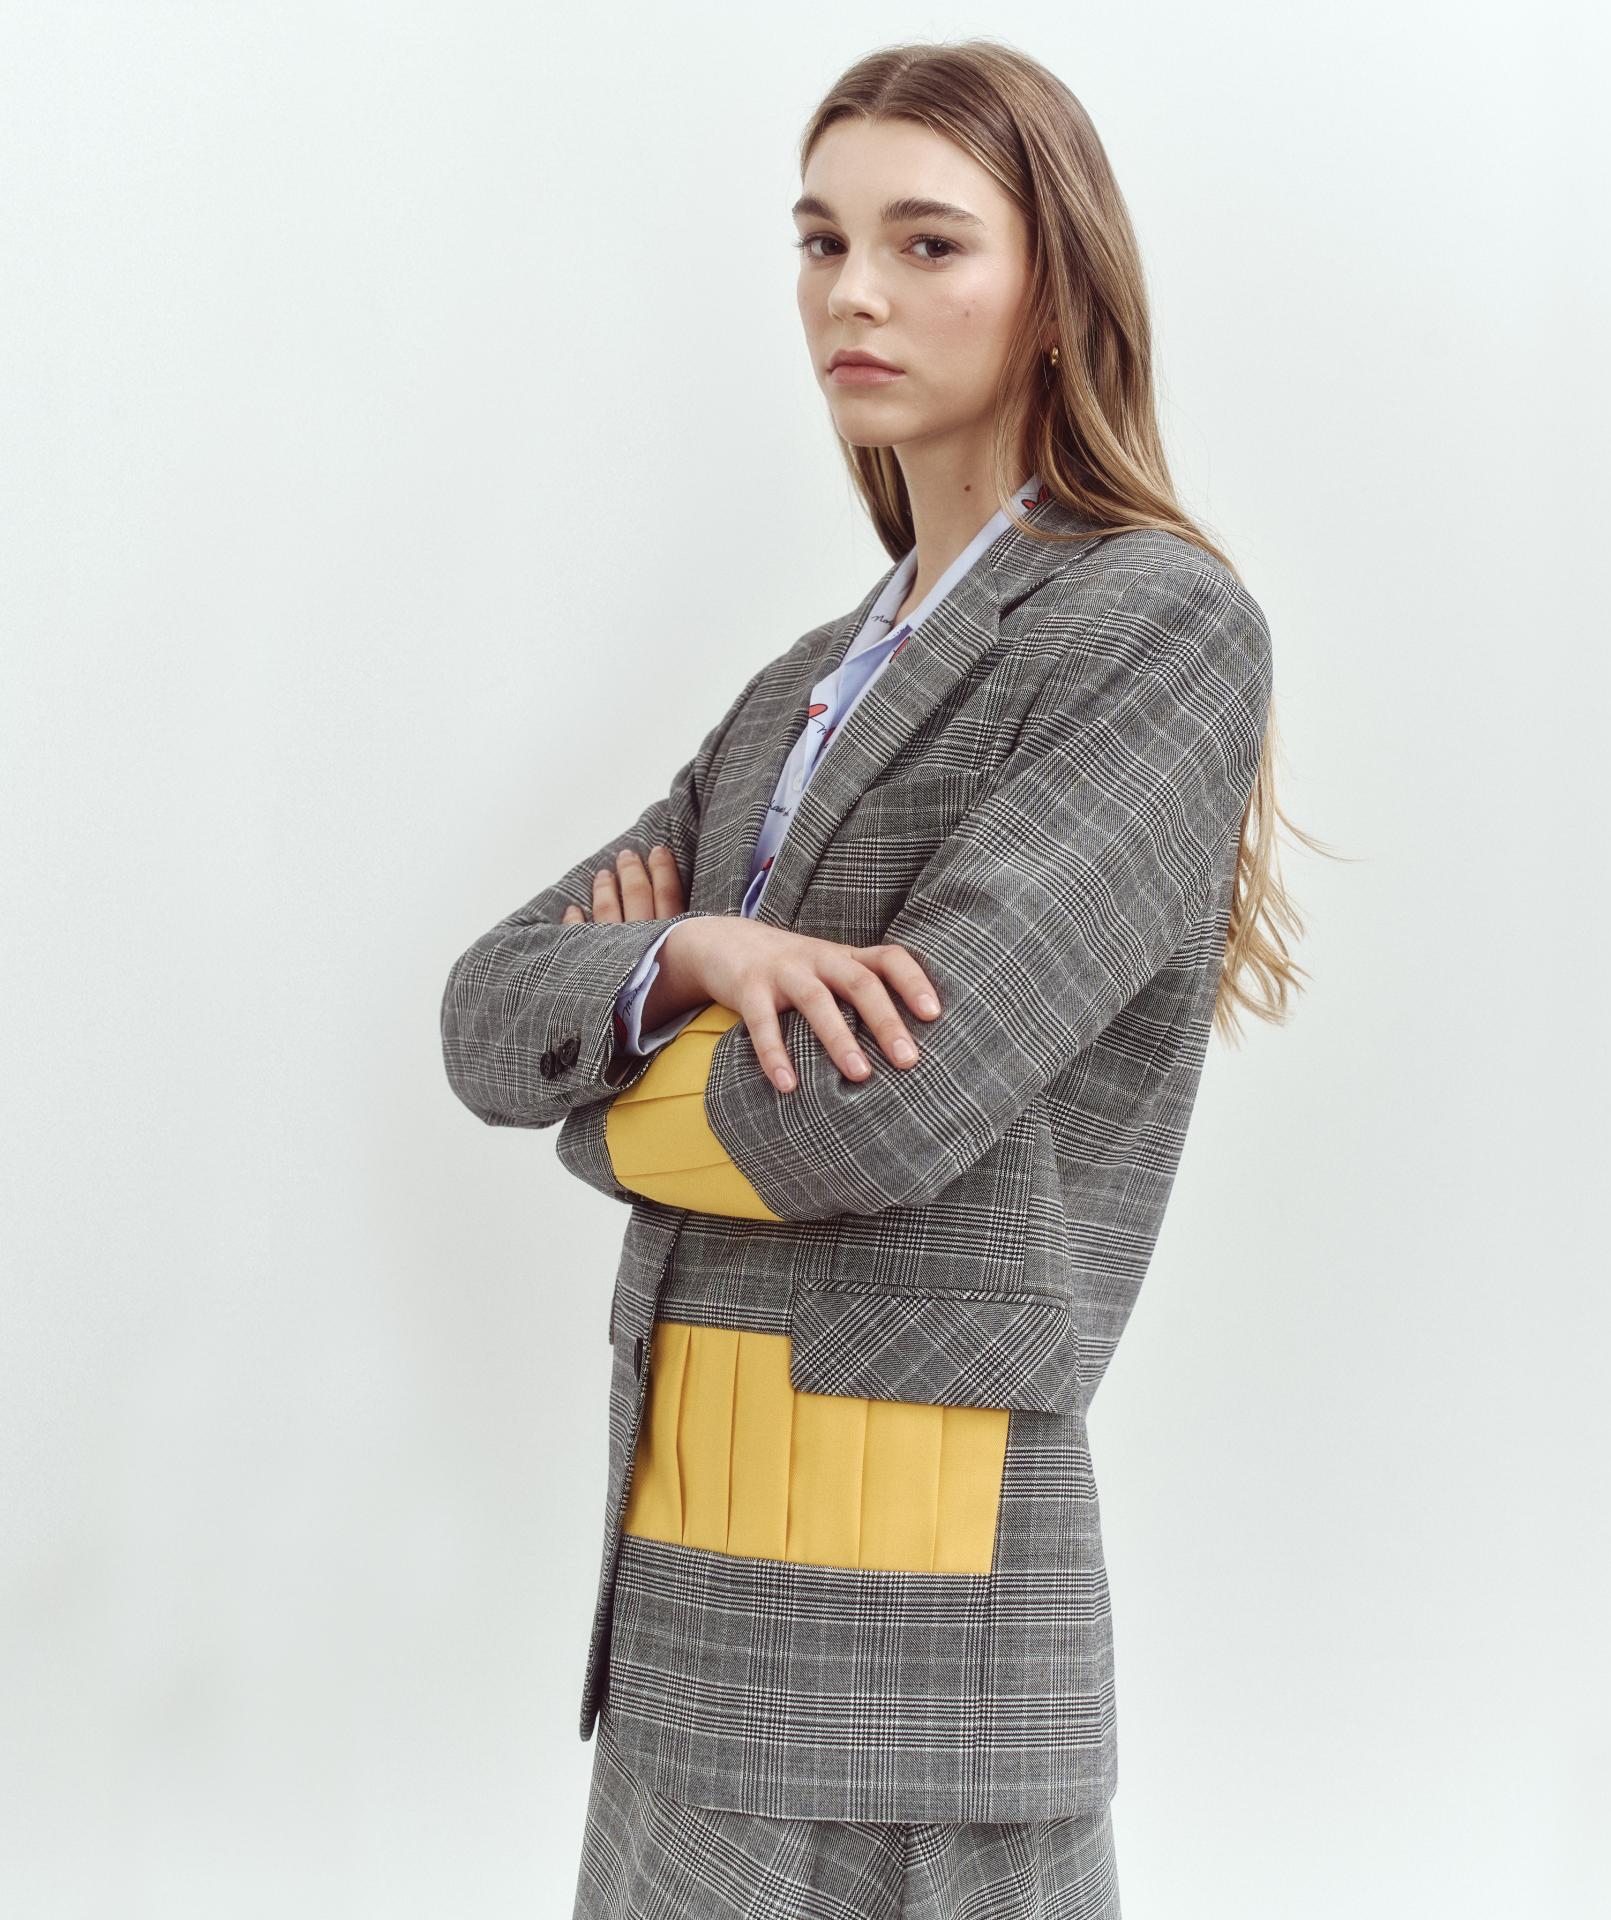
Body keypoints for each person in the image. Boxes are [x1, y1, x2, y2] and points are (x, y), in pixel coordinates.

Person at [439, 37, 1314, 1920]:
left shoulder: (1152, 626)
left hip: (906, 1640)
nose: (854, 292)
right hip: (680, 1612)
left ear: (1056, 285)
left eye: (928, 243)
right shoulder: (798, 691)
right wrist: (693, 954)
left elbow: (878, 1107)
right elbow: (487, 1011)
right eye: (822, 240)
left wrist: (608, 1097)